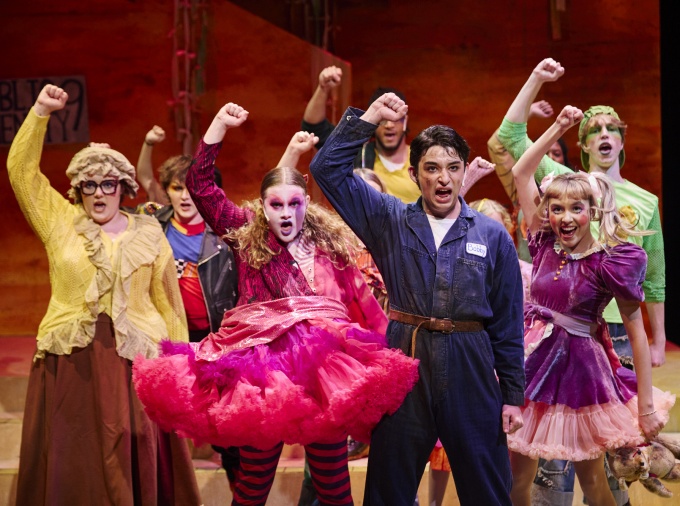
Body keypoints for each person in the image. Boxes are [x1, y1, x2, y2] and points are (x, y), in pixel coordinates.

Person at [133, 105, 420, 506]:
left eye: (294, 203)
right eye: (276, 205)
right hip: (261, 370)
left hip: (322, 370)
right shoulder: (246, 236)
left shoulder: (327, 245)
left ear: (306, 201)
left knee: (333, 483)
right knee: (253, 483)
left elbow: (361, 303)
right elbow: (200, 185)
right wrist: (219, 126)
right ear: (262, 207)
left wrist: (385, 350)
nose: (286, 214)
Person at [310, 92, 525, 506]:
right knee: (388, 490)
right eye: (432, 168)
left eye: (453, 168)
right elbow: (326, 169)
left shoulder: (492, 234)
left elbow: (507, 322)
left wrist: (513, 395)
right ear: (414, 174)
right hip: (405, 360)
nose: (443, 178)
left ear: (464, 172)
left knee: (488, 490)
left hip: (471, 362)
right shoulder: (388, 219)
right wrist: (372, 116)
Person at [8, 84, 200, 505]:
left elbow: (169, 303)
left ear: (123, 187)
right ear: (78, 190)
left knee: (135, 455)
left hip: (138, 362)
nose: (99, 193)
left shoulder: (148, 232)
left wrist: (178, 367)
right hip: (72, 361)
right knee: (75, 456)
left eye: (108, 184)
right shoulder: (60, 221)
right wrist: (40, 112)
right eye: (89, 184)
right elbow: (21, 171)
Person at [497, 58, 667, 506]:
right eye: (557, 209)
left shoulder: (609, 262)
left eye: (577, 209)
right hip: (533, 368)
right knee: (518, 480)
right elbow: (521, 172)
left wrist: (646, 406)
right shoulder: (543, 244)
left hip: (580, 376)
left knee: (594, 482)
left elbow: (635, 330)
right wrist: (557, 130)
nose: (566, 218)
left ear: (593, 211)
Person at [136, 136, 242, 489]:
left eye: (190, 187)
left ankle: (240, 491)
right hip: (171, 339)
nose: (185, 196)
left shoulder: (225, 232)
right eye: (176, 187)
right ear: (167, 191)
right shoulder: (153, 225)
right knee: (171, 422)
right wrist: (148, 145)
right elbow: (141, 180)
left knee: (227, 428)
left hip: (217, 338)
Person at [302, 66, 419, 203]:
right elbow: (315, 128)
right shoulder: (359, 155)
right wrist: (323, 88)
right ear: (374, 123)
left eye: (395, 119)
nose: (389, 125)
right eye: (383, 119)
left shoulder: (420, 159)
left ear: (405, 121)